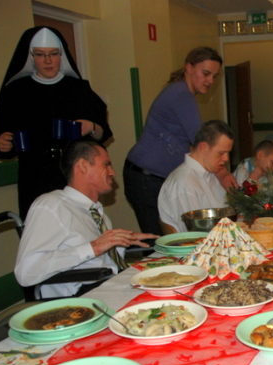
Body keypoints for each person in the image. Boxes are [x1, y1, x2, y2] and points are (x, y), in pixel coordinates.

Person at [0, 26, 112, 219]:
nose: (48, 61)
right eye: (40, 54)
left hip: (75, 174)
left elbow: (103, 132)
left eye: (53, 54)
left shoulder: (79, 89)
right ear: (31, 57)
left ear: (61, 56)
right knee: (41, 225)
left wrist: (92, 127)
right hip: (35, 176)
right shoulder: (16, 92)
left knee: (81, 224)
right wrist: (1, 143)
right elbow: (1, 135)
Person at [15, 140, 156, 298]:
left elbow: (104, 261)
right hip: (79, 298)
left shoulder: (96, 211)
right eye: (106, 165)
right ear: (82, 166)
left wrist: (122, 242)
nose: (112, 172)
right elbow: (25, 273)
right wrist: (93, 247)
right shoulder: (51, 205)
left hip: (109, 284)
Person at [124, 47, 226, 235]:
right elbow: (201, 141)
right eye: (206, 73)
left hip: (151, 176)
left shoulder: (183, 93)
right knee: (159, 239)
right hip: (146, 177)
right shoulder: (180, 94)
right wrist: (224, 175)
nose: (210, 81)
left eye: (214, 76)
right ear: (189, 67)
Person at [157, 120, 234, 233]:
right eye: (221, 153)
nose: (226, 159)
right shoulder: (184, 182)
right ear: (203, 147)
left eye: (228, 153)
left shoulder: (210, 174)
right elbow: (195, 234)